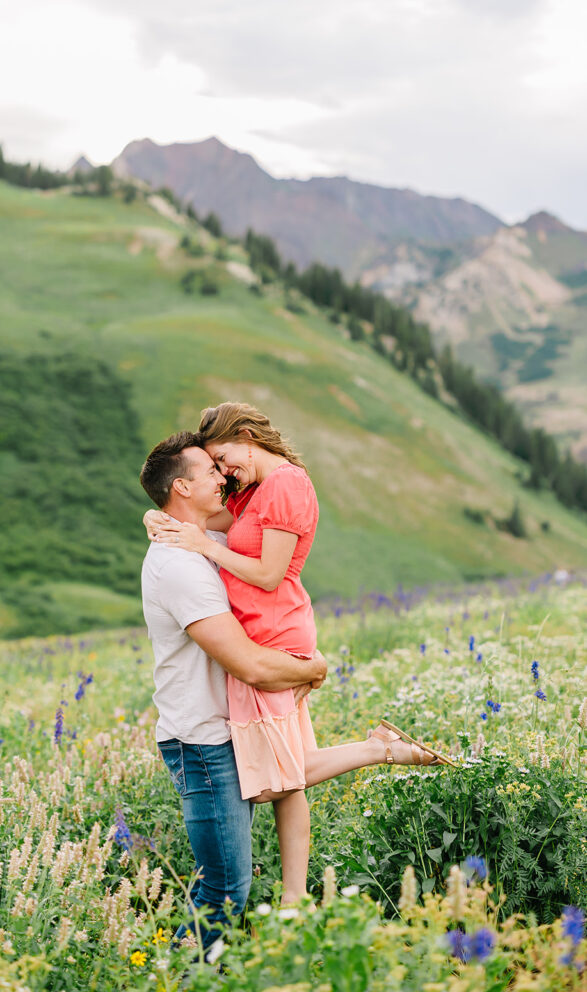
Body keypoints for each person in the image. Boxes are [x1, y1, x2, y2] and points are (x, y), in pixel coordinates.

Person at [146, 403, 453, 905]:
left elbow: (268, 573)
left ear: (247, 436)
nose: (223, 474)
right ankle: (293, 899)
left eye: (222, 458)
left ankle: (380, 751)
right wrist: (157, 515)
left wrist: (204, 545)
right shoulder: (257, 490)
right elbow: (196, 513)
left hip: (271, 634)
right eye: (214, 468)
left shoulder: (285, 484)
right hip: (269, 629)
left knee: (276, 776)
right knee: (290, 777)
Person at [139, 431, 328, 950]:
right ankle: (177, 979)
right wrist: (315, 669)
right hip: (202, 742)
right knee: (225, 889)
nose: (223, 476)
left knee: (229, 885)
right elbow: (249, 665)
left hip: (224, 730)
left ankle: (202, 973)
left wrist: (158, 516)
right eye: (209, 471)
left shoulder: (210, 544)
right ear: (181, 486)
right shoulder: (178, 566)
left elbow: (245, 545)